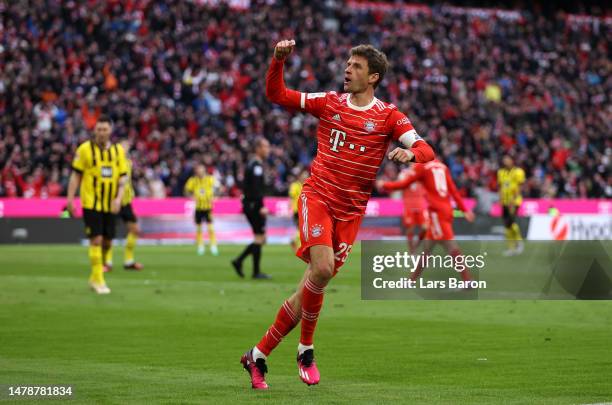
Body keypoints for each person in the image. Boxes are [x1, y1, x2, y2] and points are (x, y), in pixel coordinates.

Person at [239, 39, 434, 390]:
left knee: (308, 291)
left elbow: (425, 148)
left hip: (351, 212)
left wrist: (412, 155)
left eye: (356, 66)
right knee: (323, 268)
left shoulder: (389, 116)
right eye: (347, 63)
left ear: (373, 76)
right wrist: (277, 61)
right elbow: (277, 94)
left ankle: (258, 354)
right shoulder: (328, 103)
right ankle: (306, 350)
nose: (347, 69)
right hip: (318, 198)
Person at [378, 159, 474, 283]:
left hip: (436, 213)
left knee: (450, 246)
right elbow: (453, 191)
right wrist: (464, 209)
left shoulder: (422, 167)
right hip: (445, 209)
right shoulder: (442, 166)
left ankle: (468, 280)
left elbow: (404, 184)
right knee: (427, 248)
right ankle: (410, 281)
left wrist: (384, 185)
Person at [66, 115, 128, 294]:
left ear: (110, 131)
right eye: (99, 129)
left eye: (105, 129)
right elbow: (76, 175)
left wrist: (118, 198)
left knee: (107, 243)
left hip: (111, 204)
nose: (101, 133)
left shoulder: (118, 151)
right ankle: (99, 281)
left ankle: (94, 276)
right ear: (95, 131)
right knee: (96, 239)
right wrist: (70, 199)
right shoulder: (85, 149)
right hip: (91, 202)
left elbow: (123, 178)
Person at [232, 137, 271, 279]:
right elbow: (256, 189)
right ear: (258, 149)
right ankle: (250, 268)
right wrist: (261, 206)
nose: (268, 150)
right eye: (266, 147)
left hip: (250, 204)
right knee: (260, 238)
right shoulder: (256, 166)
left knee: (260, 238)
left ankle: (244, 265)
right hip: (254, 205)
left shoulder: (254, 164)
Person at [104, 139, 144, 271]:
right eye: (124, 145)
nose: (126, 148)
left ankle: (128, 261)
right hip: (113, 201)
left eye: (127, 146)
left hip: (126, 202)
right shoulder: (111, 163)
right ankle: (107, 263)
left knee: (134, 230)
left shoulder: (128, 163)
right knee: (109, 233)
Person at [382, 165, 428, 252]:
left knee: (425, 228)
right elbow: (400, 185)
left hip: (421, 204)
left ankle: (417, 244)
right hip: (409, 204)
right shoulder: (404, 173)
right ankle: (412, 250)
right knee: (410, 228)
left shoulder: (423, 172)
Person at [184, 164, 218, 256]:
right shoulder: (193, 180)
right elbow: (186, 190)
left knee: (210, 228)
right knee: (199, 228)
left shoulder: (210, 179)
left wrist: (215, 196)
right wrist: (191, 196)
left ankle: (213, 246)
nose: (199, 172)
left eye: (201, 170)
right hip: (198, 207)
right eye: (198, 170)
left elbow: (218, 187)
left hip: (208, 207)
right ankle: (200, 246)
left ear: (204, 171)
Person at [497, 155, 525, 256]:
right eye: (504, 160)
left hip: (514, 202)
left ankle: (519, 243)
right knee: (506, 225)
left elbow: (520, 187)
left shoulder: (518, 172)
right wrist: (500, 199)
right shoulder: (500, 172)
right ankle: (511, 247)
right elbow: (500, 186)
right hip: (505, 202)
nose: (505, 162)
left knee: (510, 222)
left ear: (512, 161)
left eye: (507, 160)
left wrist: (512, 201)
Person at [288, 170, 308, 252]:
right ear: (299, 177)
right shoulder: (295, 185)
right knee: (301, 228)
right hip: (297, 210)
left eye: (306, 176)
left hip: (304, 210)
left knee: (302, 228)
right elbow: (291, 196)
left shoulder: (306, 185)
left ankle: (299, 245)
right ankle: (294, 240)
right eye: (304, 176)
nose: (305, 177)